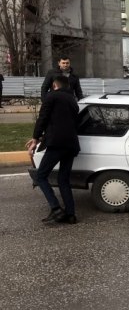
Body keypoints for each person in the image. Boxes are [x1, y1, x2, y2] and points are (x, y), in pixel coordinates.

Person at [25, 75, 80, 224]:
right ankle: (71, 214)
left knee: (41, 176)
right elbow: (68, 123)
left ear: (54, 86)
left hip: (57, 144)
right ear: (67, 86)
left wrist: (35, 139)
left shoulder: (51, 96)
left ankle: (55, 208)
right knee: (64, 179)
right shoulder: (73, 101)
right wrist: (44, 137)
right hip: (72, 144)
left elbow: (42, 118)